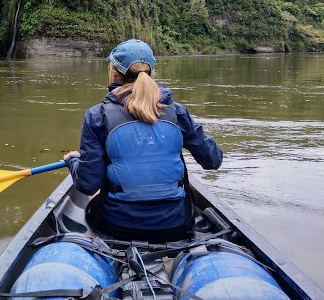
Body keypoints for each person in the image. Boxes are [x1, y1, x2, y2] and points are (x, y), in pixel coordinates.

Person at [63, 39, 223, 243]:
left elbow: (88, 183)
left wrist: (73, 161)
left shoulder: (97, 116)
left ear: (114, 73)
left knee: (93, 195)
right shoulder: (177, 111)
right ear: (151, 72)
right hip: (175, 225)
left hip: (118, 226)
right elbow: (213, 160)